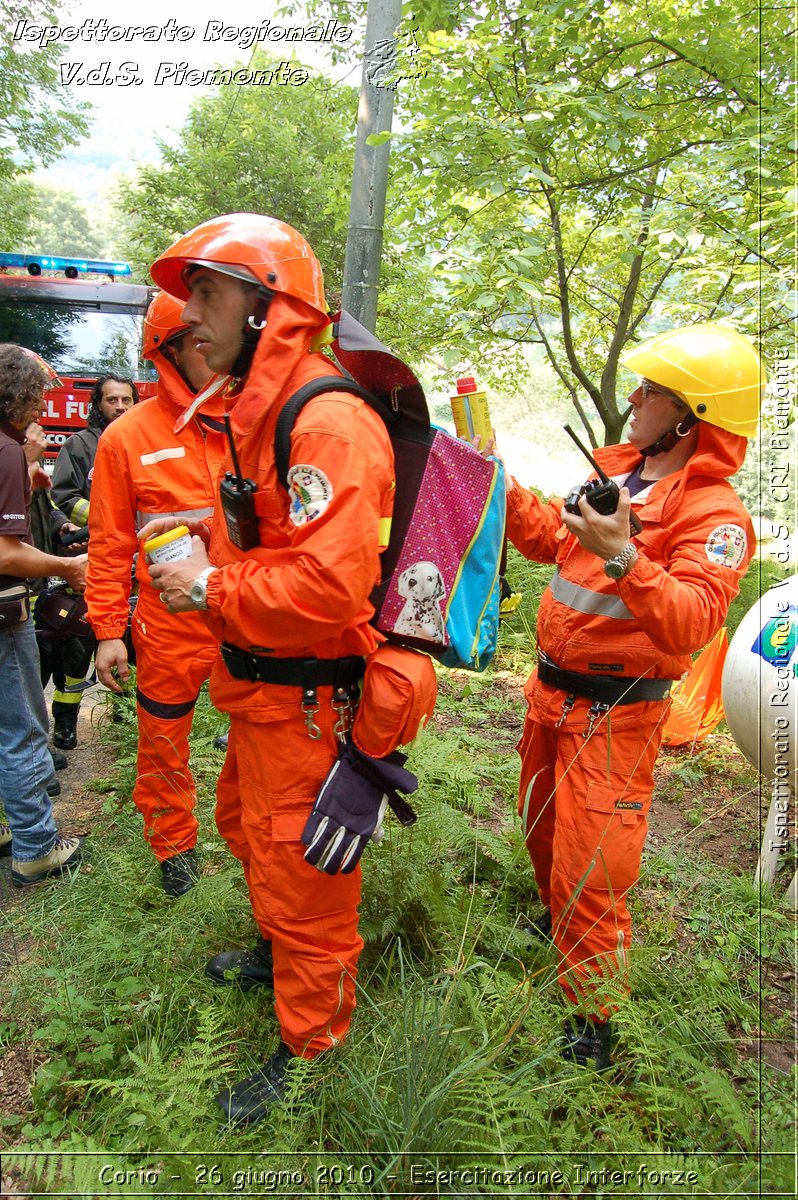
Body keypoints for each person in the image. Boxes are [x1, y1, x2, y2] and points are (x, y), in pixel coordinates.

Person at [142, 213, 395, 1124]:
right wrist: (207, 550)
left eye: (206, 291)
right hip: (261, 696)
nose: (188, 312)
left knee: (306, 881)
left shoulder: (326, 419)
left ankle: (312, 1054)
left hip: (310, 709)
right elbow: (271, 537)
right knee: (250, 834)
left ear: (265, 306)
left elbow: (330, 587)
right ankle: (270, 952)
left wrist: (211, 585)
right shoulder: (255, 414)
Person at [497, 323, 762, 1069]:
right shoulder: (617, 475)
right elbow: (550, 537)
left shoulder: (715, 515)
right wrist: (500, 481)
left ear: (691, 417)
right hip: (549, 697)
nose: (635, 398)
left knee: (593, 864)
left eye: (652, 391)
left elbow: (692, 623)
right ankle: (557, 928)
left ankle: (594, 1021)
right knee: (544, 833)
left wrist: (623, 553)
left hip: (616, 716)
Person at [86, 292, 229, 896]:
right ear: (169, 350)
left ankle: (259, 848)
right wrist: (109, 632)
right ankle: (176, 849)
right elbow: (109, 543)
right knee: (164, 741)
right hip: (168, 629)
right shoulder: (125, 438)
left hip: (242, 615)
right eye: (199, 340)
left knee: (261, 740)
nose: (214, 351)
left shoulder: (252, 421)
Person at [0, 344, 88, 885]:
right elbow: (6, 552)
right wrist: (67, 566)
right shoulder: (7, 451)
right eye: (38, 399)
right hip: (4, 616)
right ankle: (37, 844)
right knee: (23, 729)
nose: (42, 411)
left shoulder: (18, 459)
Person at [49, 374, 137, 749]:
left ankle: (123, 716)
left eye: (126, 400)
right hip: (93, 557)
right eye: (112, 400)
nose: (119, 407)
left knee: (131, 646)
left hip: (137, 562)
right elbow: (64, 495)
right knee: (78, 644)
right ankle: (65, 722)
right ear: (97, 404)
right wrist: (105, 518)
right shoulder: (80, 445)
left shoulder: (141, 441)